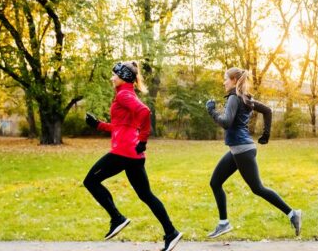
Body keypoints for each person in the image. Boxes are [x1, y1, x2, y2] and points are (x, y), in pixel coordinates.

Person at [84, 61, 182, 251]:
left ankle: (117, 218)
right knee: (146, 195)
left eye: (114, 75)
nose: (112, 78)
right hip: (133, 153)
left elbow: (145, 111)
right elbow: (122, 127)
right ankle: (171, 232)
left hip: (123, 152)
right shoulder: (127, 94)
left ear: (124, 76)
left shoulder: (124, 95)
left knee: (90, 181)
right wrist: (98, 125)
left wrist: (144, 139)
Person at [205, 67, 302, 238]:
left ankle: (293, 213)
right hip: (240, 149)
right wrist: (265, 135)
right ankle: (223, 223)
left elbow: (226, 122)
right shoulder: (246, 98)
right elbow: (267, 111)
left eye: (226, 78)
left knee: (257, 188)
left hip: (242, 150)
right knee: (215, 182)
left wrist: (212, 111)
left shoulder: (235, 98)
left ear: (234, 80)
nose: (224, 81)